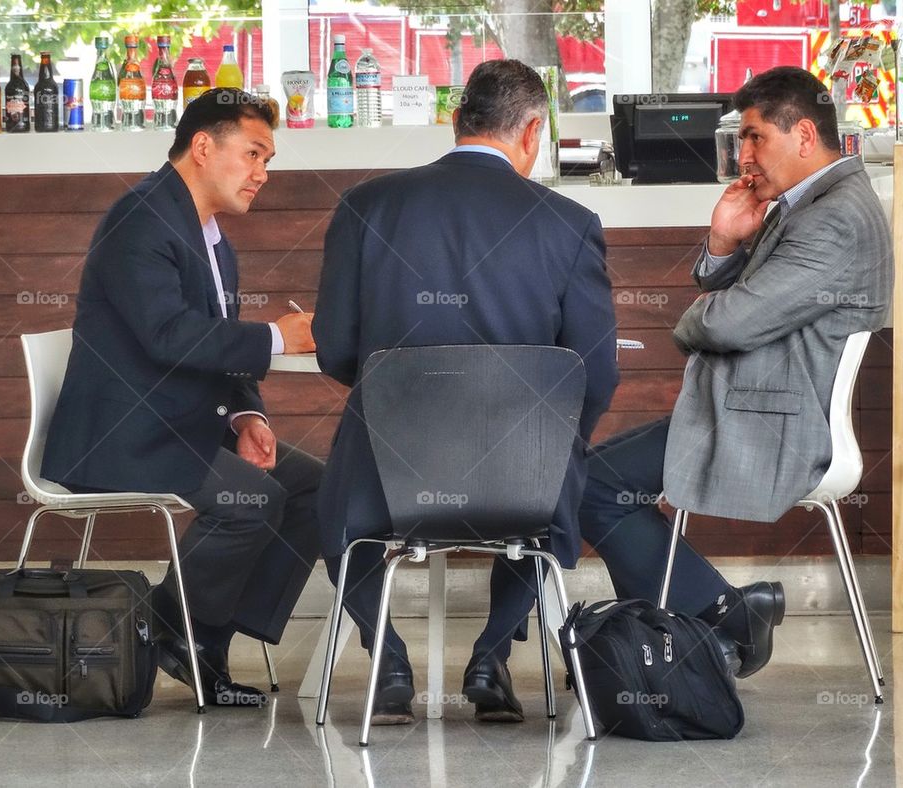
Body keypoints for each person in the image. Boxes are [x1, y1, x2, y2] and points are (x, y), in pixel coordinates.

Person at [313, 60, 618, 724]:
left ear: (456, 122)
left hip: (389, 469)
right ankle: (490, 658)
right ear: (533, 131)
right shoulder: (570, 221)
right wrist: (555, 440)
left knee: (333, 503)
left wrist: (394, 404)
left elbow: (334, 348)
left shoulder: (365, 205)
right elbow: (595, 374)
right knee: (558, 474)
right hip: (522, 474)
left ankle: (389, 661)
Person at [580, 66, 892, 677]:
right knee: (595, 479)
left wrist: (695, 318)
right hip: (755, 407)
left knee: (594, 487)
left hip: (780, 426)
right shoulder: (806, 203)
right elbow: (740, 302)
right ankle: (710, 625)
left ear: (804, 134)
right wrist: (723, 244)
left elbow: (726, 324)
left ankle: (712, 625)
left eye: (754, 138)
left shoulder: (832, 218)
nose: (742, 155)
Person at [41, 88, 323, 707]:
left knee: (310, 487)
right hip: (124, 433)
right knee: (251, 499)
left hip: (183, 422)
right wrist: (276, 335)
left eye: (268, 160)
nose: (262, 174)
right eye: (253, 154)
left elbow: (213, 342)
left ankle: (205, 636)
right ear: (202, 146)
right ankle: (177, 629)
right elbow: (169, 335)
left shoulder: (212, 235)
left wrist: (247, 413)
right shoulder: (140, 219)